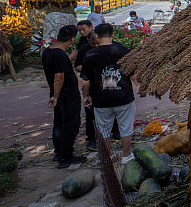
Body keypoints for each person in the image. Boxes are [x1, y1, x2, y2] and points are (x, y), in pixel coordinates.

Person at [81, 23, 136, 163]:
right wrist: (139, 86)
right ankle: (126, 155)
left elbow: (85, 80)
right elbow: (132, 72)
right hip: (123, 96)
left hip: (100, 98)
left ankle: (109, 155)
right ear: (112, 35)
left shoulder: (90, 54)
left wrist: (86, 96)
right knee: (126, 126)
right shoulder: (124, 50)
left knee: (103, 128)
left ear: (97, 36)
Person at [42, 24, 85, 168]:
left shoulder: (48, 51)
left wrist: (54, 95)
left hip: (58, 94)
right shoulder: (60, 55)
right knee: (71, 124)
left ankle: (59, 152)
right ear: (72, 39)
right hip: (66, 95)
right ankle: (66, 156)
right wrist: (56, 95)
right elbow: (58, 77)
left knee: (59, 123)